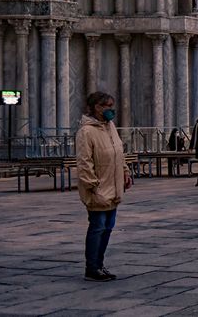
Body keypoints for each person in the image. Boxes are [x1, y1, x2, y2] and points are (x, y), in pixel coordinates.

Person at [76, 91, 132, 282]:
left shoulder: (110, 127)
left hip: (113, 186)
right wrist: (93, 186)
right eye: (107, 106)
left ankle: (99, 265)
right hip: (98, 188)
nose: (111, 109)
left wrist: (125, 172)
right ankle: (91, 268)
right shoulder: (86, 132)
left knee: (108, 228)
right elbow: (84, 163)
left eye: (111, 105)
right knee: (97, 227)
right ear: (97, 108)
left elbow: (119, 153)